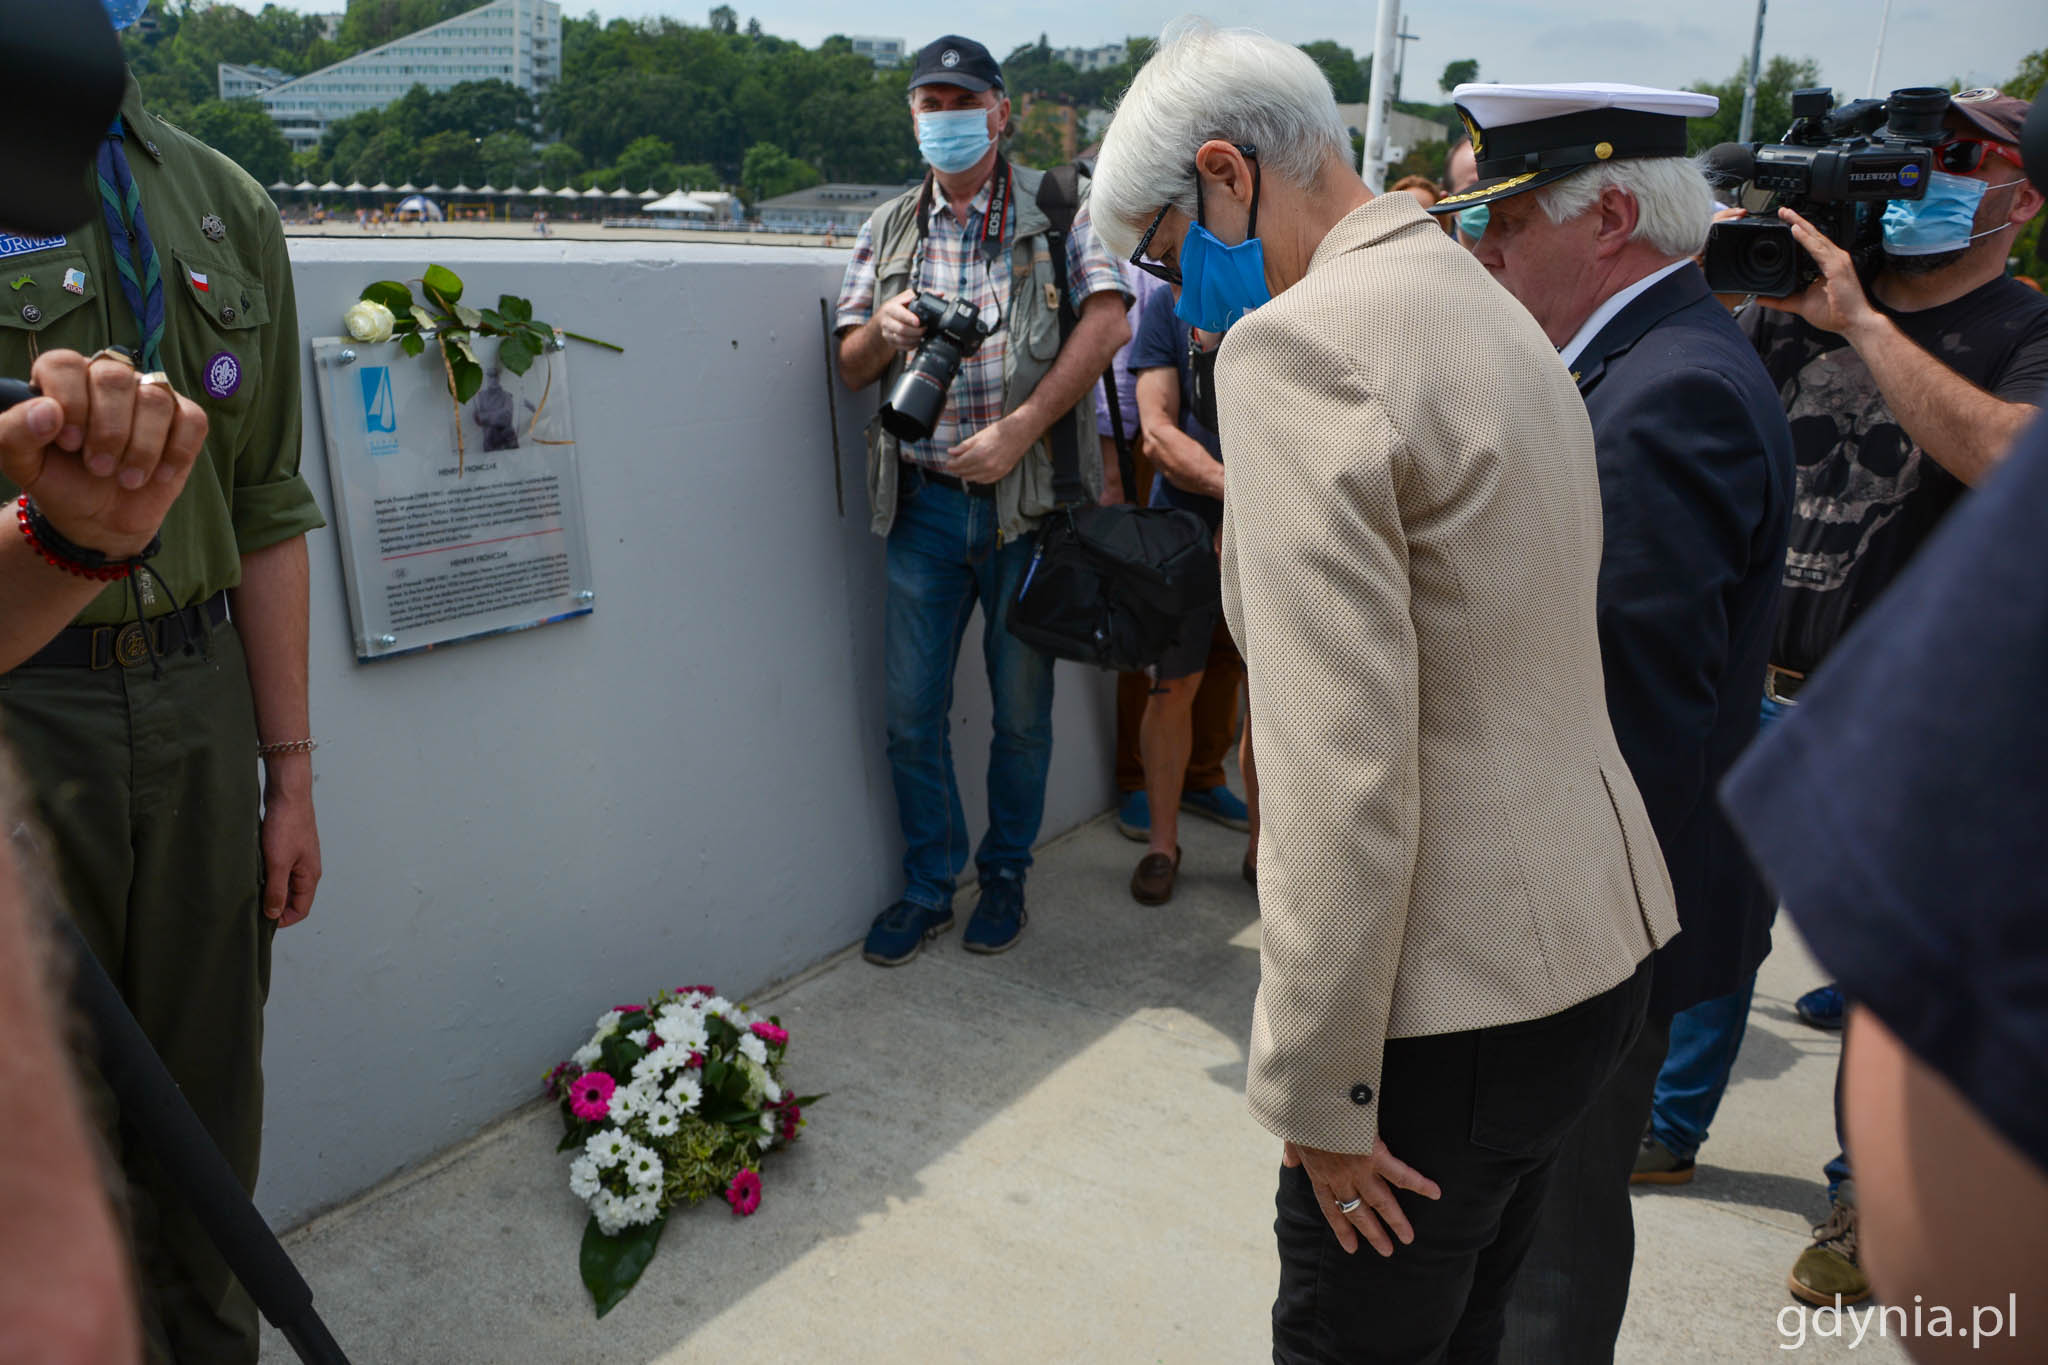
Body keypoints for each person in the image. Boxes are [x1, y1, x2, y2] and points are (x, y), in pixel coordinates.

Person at [1092, 23, 1678, 1361]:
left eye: (1166, 244)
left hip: (1442, 1009)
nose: (1174, 279)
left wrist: (1319, 1090)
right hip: (1585, 943)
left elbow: (1337, 773)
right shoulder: (1486, 296)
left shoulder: (1298, 351)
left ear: (1228, 173)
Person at [1427, 84, 1795, 1363]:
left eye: (1507, 222)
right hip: (1609, 910)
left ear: (1612, 218)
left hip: (1596, 931)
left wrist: (1537, 944)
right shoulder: (1644, 360)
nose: (1481, 250)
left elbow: (1632, 715)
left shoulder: (1663, 394)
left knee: (1546, 1258)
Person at [0, 44, 328, 1365]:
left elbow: (265, 508)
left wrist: (289, 773)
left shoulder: (222, 200)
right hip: (31, 701)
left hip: (197, 703)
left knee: (204, 1102)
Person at [1734, 84, 2046, 1310]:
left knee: (1889, 987)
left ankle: (1868, 1205)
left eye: (1959, 156)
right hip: (1747, 681)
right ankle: (1659, 1124)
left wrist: (1859, 322)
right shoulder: (1782, 298)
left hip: (1908, 720)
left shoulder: (2023, 327)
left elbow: (2014, 465)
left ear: (2016, 196)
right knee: (1699, 942)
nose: (1923, 170)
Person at [1721, 402, 2048, 1364]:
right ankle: (1670, 1125)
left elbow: (1972, 1295)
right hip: (1771, 680)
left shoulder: (2019, 347)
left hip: (1851, 695)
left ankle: (1849, 1198)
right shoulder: (1765, 332)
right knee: (1726, 935)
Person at [834, 34, 1130, 965]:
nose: (946, 118)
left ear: (1001, 113)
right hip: (921, 507)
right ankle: (930, 885)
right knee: (909, 715)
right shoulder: (886, 230)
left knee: (1022, 715)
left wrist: (1019, 431)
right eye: (929, 103)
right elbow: (847, 369)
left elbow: (1111, 321)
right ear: (911, 116)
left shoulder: (1059, 208)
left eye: (962, 103)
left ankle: (1004, 876)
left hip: (1026, 509)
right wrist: (883, 331)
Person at [1102, 264, 1252, 848]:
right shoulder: (1169, 306)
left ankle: (1262, 859)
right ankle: (1162, 847)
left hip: (1261, 515)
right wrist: (1233, 492)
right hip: (1185, 524)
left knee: (1258, 695)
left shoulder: (1278, 294)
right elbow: (1157, 432)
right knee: (1169, 684)